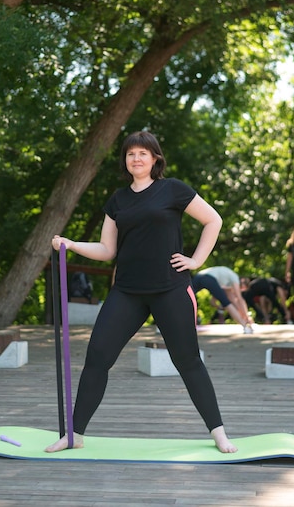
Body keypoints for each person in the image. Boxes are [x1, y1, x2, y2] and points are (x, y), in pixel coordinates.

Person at [45, 131, 238, 454]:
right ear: (125, 160)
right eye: (131, 153)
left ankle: (219, 433)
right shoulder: (118, 200)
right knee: (97, 358)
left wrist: (196, 259)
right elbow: (108, 249)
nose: (136, 158)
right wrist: (72, 244)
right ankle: (74, 434)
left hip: (171, 288)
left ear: (155, 159)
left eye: (143, 153)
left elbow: (212, 220)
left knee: (188, 361)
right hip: (127, 292)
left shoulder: (172, 189)